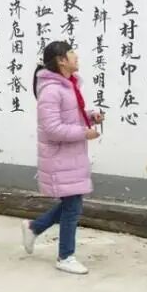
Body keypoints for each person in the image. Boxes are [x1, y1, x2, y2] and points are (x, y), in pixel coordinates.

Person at [20, 40, 103, 275]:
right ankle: (65, 256)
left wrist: (91, 116)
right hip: (60, 156)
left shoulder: (68, 85)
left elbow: (70, 116)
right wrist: (83, 133)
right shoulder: (51, 90)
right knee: (73, 207)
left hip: (70, 155)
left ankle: (35, 227)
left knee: (71, 204)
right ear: (61, 60)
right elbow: (52, 129)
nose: (76, 56)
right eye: (71, 53)